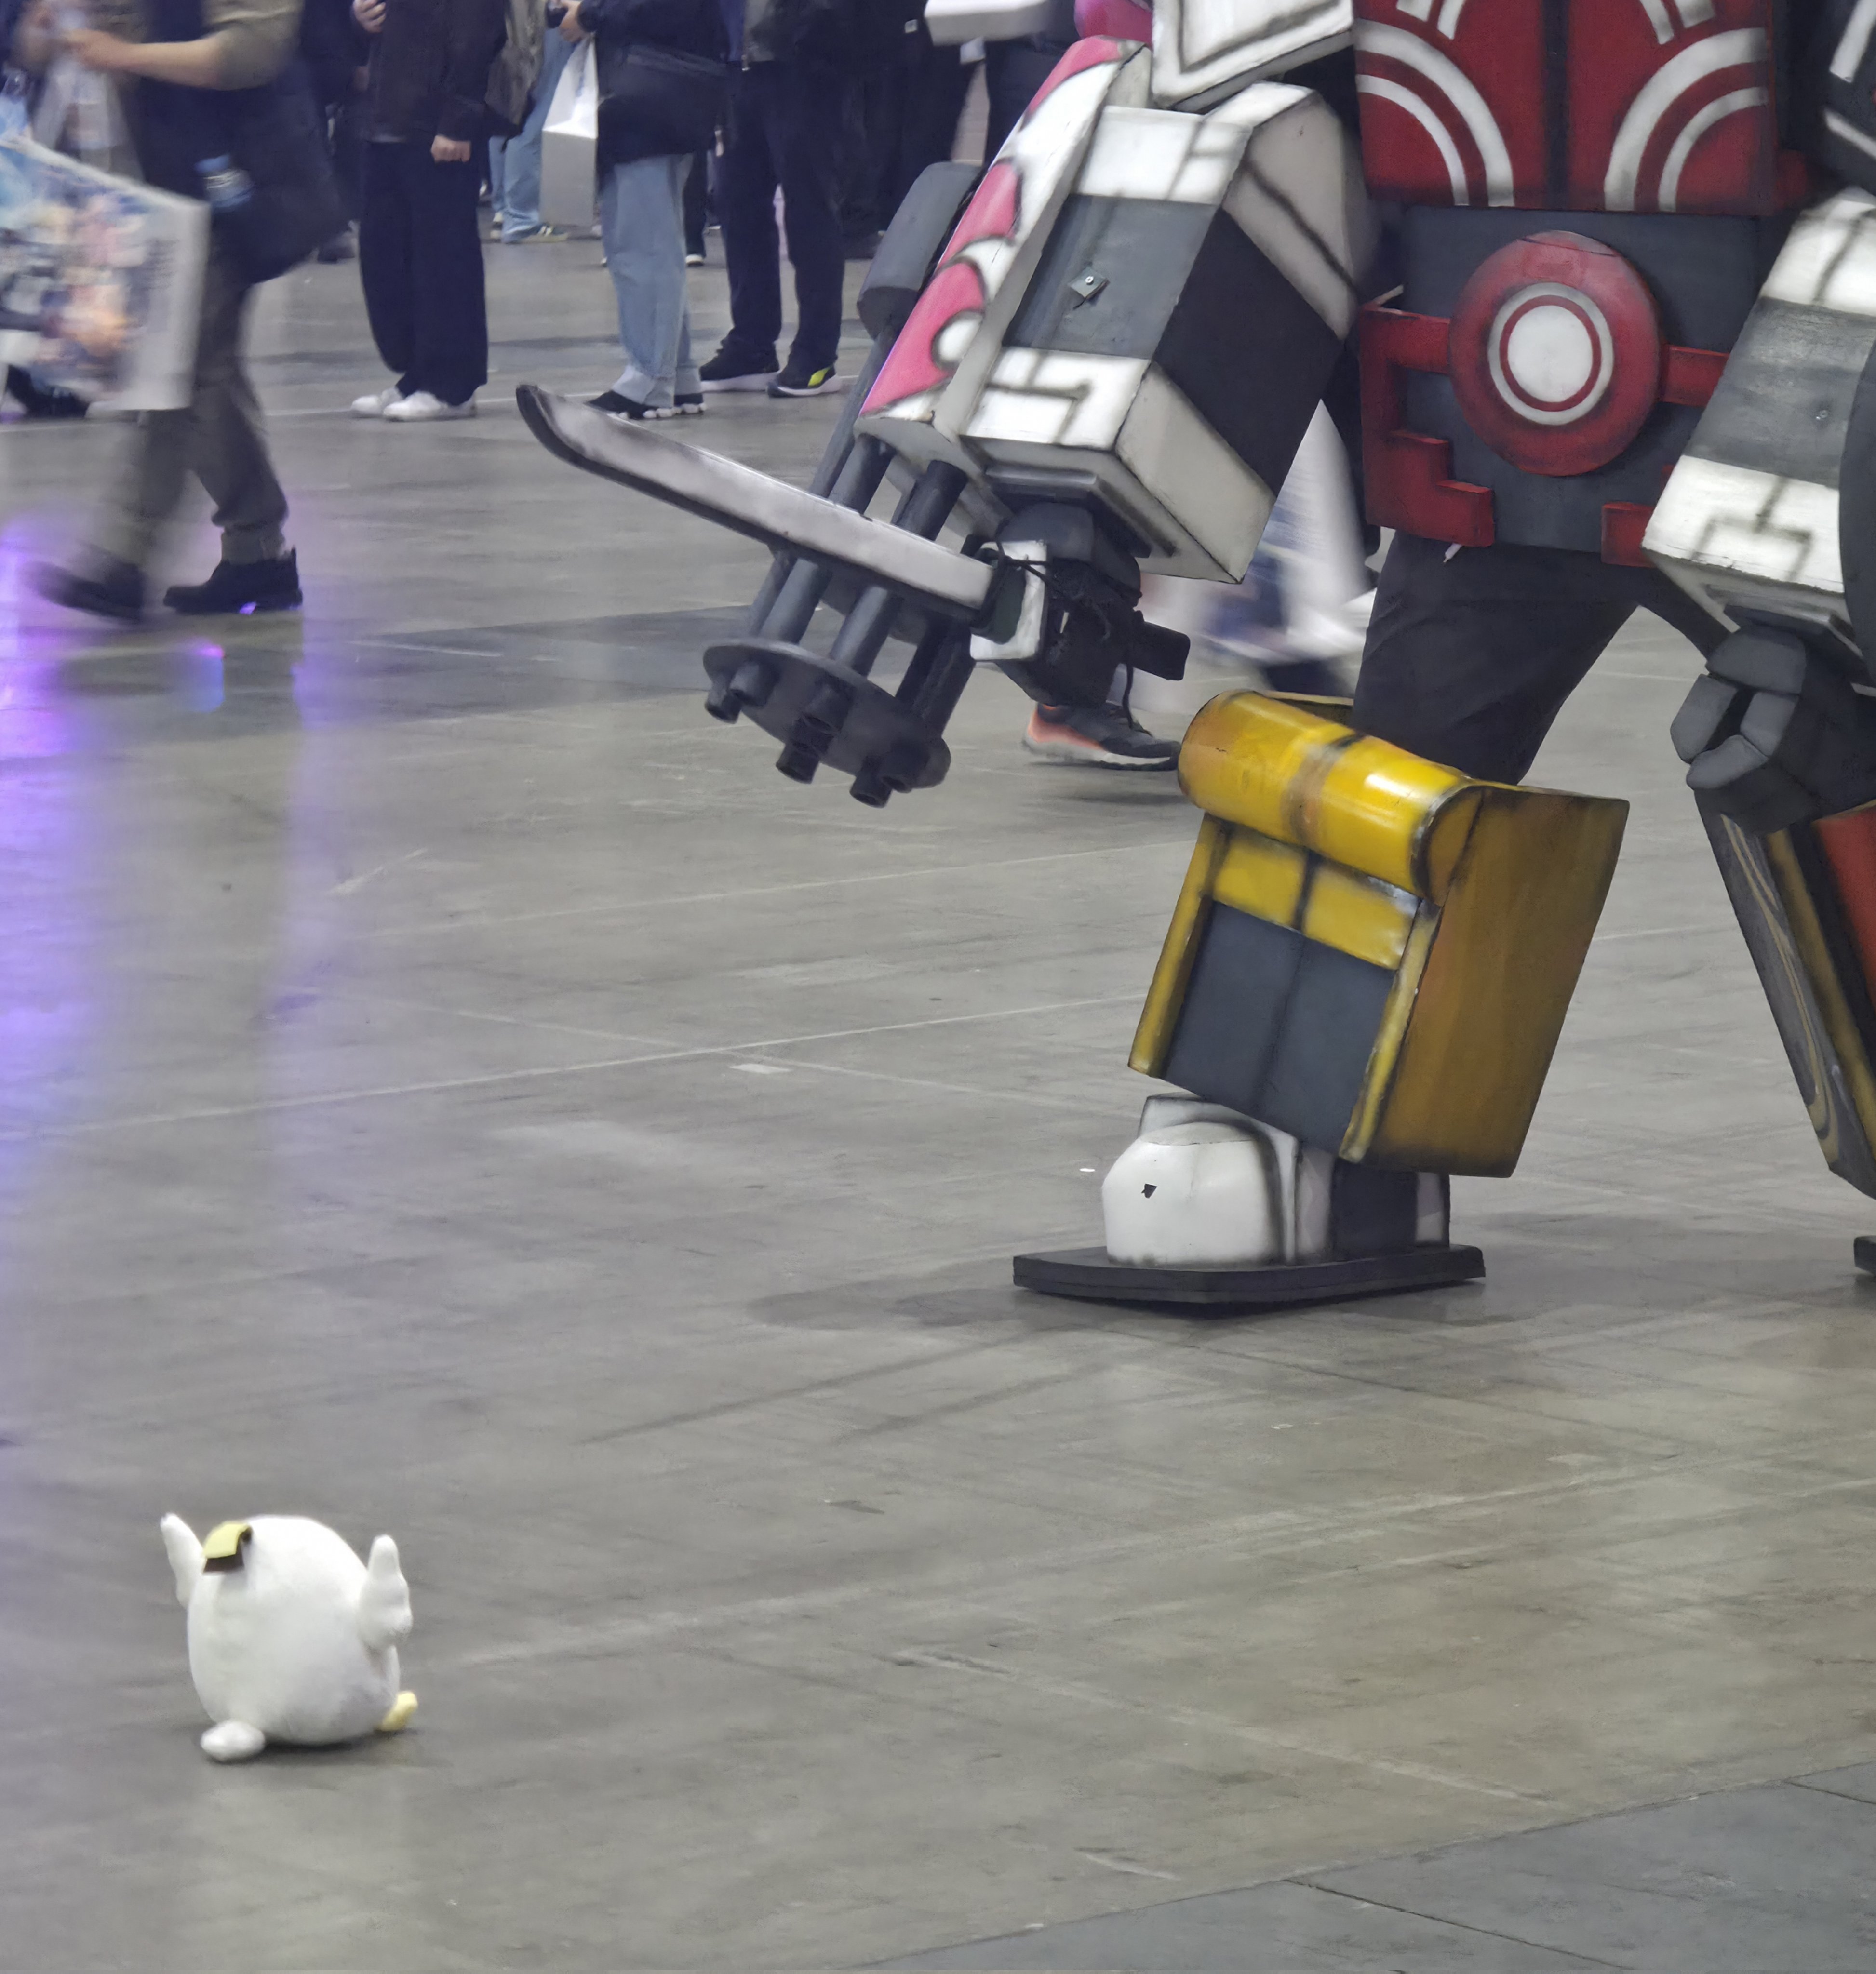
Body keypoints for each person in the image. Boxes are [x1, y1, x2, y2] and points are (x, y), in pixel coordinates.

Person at [18, 0, 307, 620]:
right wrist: (51, 31)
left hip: (229, 187)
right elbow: (43, 48)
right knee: (201, 376)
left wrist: (125, 55)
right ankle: (256, 548)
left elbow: (252, 52)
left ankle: (130, 557)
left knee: (182, 370)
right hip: (142, 195)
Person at [556, 0, 719, 420]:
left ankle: (649, 380)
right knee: (658, 243)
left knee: (641, 246)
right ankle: (677, 374)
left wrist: (589, 12)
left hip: (646, 98)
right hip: (664, 92)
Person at [348, 0, 504, 422]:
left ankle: (452, 384)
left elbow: (477, 33)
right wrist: (359, 17)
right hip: (385, 112)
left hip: (435, 119)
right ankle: (418, 372)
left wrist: (459, 119)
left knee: (443, 256)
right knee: (389, 254)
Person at [698, 0, 851, 399]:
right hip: (736, 63)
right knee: (738, 204)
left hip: (804, 64)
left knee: (809, 208)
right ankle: (751, 345)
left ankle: (817, 354)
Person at [487, 13, 569, 244]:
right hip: (545, 20)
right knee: (535, 118)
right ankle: (523, 218)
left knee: (507, 114)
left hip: (508, 22)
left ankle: (504, 210)